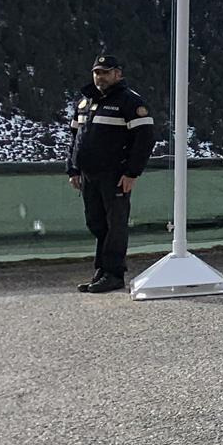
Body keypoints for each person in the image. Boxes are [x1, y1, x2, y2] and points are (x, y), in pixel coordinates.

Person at [66, 54, 156, 293]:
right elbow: (75, 138)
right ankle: (101, 270)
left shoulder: (129, 102)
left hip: (115, 175)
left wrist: (132, 173)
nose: (100, 77)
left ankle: (114, 273)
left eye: (105, 72)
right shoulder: (85, 102)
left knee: (115, 224)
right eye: (96, 72)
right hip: (88, 175)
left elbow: (144, 140)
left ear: (118, 74)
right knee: (96, 223)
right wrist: (73, 168)